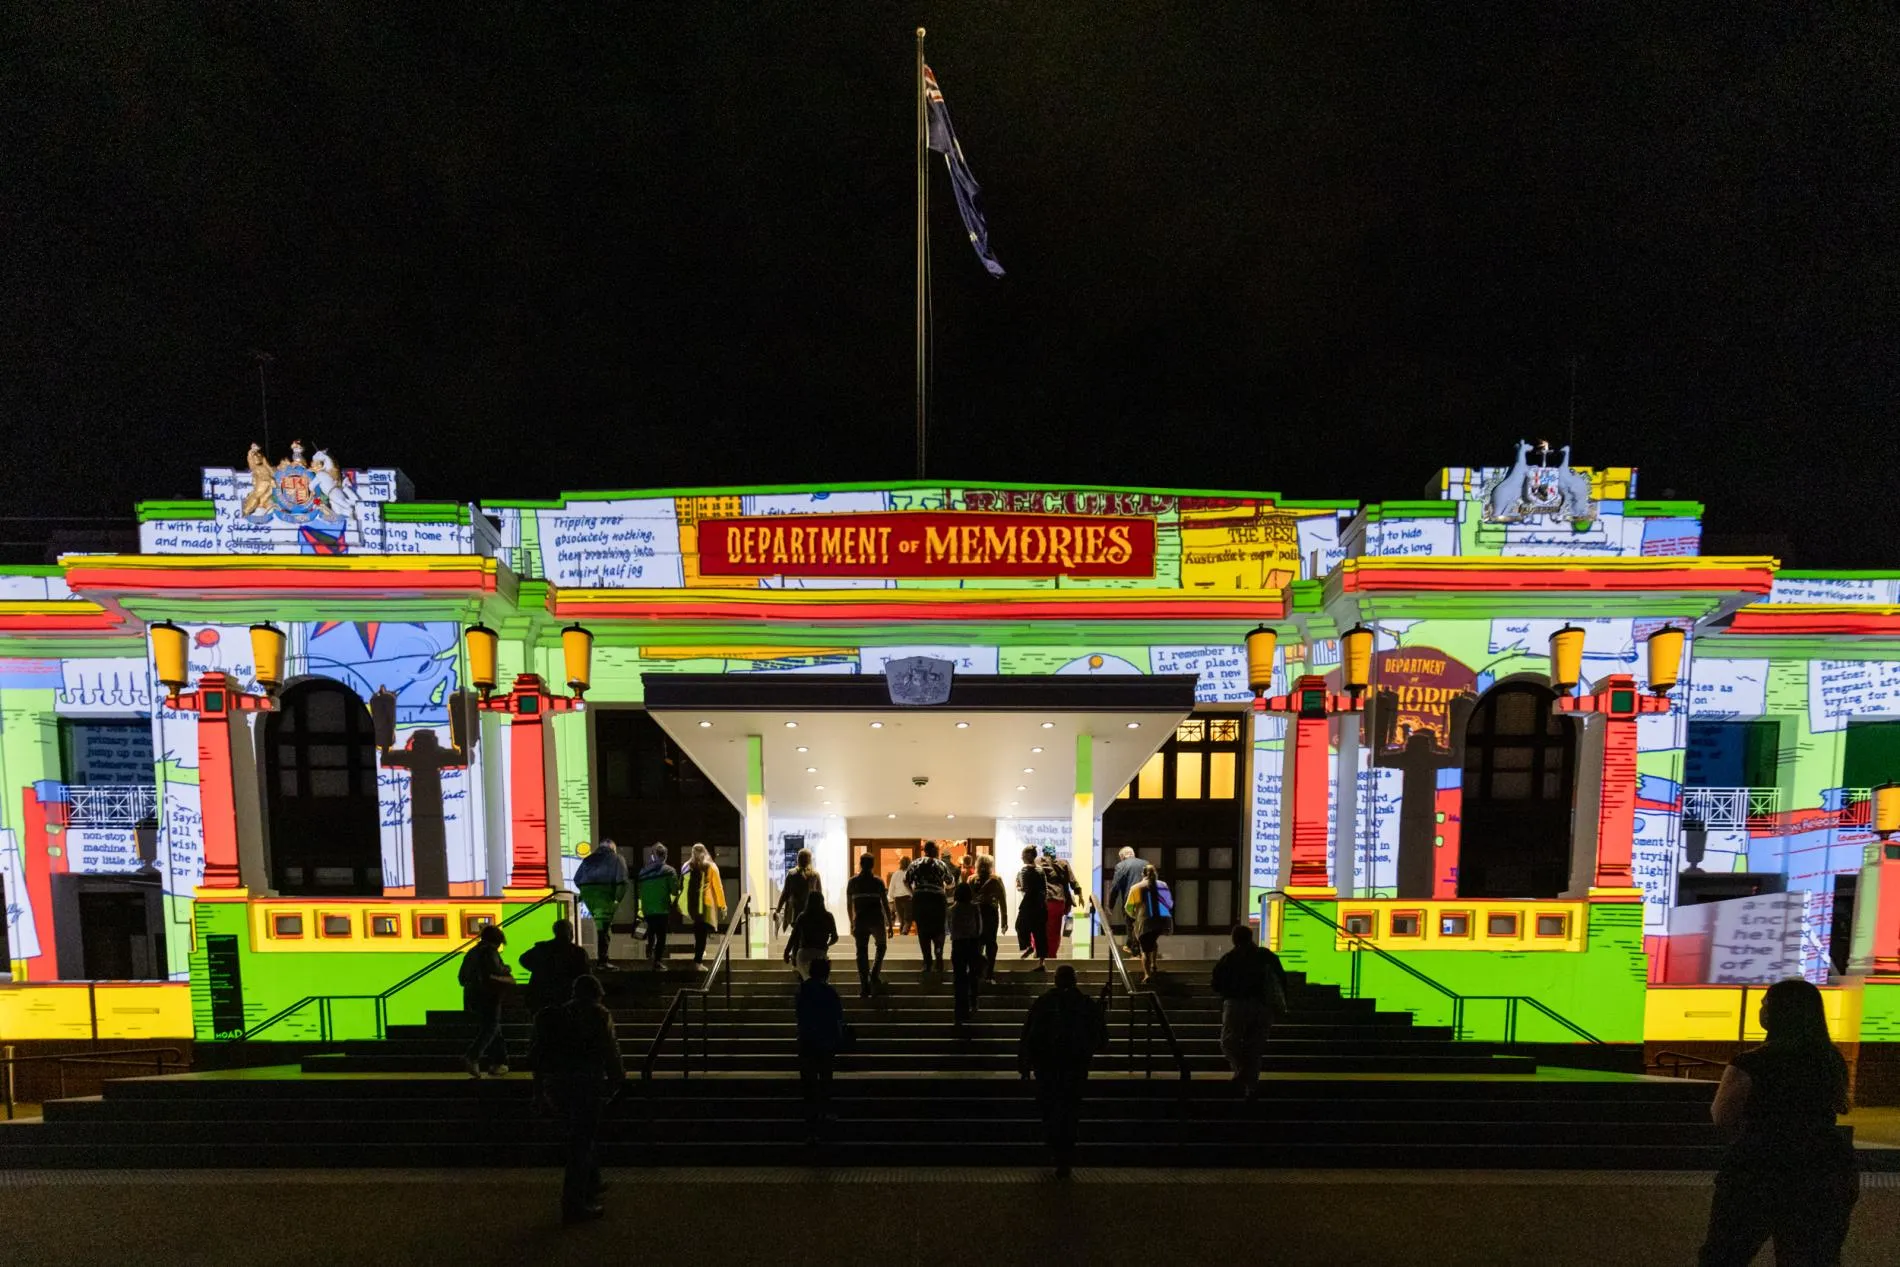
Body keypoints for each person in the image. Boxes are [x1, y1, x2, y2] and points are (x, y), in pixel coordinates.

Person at [1698, 977, 1857, 1266]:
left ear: (1778, 1011)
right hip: (1824, 1165)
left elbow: (1722, 1116)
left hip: (1759, 1166)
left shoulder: (1751, 1062)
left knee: (1725, 1253)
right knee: (1811, 1256)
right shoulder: (1830, 1059)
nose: (1761, 1008)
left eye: (1766, 1003)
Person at [530, 974, 625, 1224]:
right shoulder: (598, 1014)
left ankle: (591, 1182)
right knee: (581, 1142)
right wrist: (618, 1080)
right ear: (597, 993)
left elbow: (537, 1055)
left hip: (557, 1084)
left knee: (578, 1136)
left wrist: (539, 1090)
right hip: (587, 1082)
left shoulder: (552, 1017)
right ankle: (574, 1203)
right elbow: (610, 1049)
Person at [1018, 964, 1108, 1178]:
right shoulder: (1084, 1004)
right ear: (1074, 981)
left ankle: (1056, 1148)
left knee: (1050, 1107)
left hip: (1048, 1065)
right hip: (1074, 1065)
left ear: (1056, 980)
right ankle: (1065, 1153)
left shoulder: (1044, 1003)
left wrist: (1025, 1062)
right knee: (1070, 1109)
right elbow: (1100, 1035)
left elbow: (1030, 1033)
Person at [1211, 923, 1289, 1099]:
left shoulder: (1229, 958)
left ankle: (1241, 1074)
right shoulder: (1266, 956)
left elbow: (1216, 984)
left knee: (1229, 1042)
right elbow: (1281, 979)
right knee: (1254, 1047)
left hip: (1236, 1005)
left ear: (1234, 939)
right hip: (1263, 1006)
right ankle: (1250, 1086)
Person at [795, 956, 847, 1143]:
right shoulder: (829, 992)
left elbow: (800, 1014)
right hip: (825, 1041)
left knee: (808, 1082)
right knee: (825, 1077)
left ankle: (811, 1123)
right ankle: (825, 1113)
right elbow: (837, 1018)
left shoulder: (803, 990)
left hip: (807, 1040)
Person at [457, 924, 513, 1077]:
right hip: (489, 996)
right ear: (496, 941)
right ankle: (473, 1056)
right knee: (491, 1027)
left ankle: (500, 1062)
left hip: (471, 996)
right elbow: (493, 973)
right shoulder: (489, 952)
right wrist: (506, 970)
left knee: (494, 1028)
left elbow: (461, 978)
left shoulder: (471, 952)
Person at [572, 838, 630, 967]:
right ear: (613, 848)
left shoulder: (588, 859)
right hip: (605, 895)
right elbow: (623, 881)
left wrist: (585, 892)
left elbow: (577, 879)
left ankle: (602, 960)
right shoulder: (617, 859)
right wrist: (617, 899)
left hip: (589, 896)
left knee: (601, 926)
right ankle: (603, 961)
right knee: (604, 928)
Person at [519, 918, 591, 1015]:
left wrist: (539, 970)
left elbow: (523, 959)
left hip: (542, 995)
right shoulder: (578, 952)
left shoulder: (542, 948)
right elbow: (586, 974)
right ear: (570, 932)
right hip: (567, 995)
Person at [845, 853, 891, 998]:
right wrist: (889, 923)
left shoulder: (853, 882)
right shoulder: (878, 882)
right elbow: (885, 903)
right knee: (881, 946)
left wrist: (851, 922)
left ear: (860, 863)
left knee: (861, 952)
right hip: (876, 919)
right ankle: (874, 974)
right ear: (873, 865)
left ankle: (864, 985)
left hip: (860, 920)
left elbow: (849, 904)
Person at [907, 841, 955, 972]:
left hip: (920, 898)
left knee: (923, 931)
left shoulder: (914, 864)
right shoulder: (941, 864)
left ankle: (927, 961)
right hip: (937, 898)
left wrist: (914, 892)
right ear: (935, 851)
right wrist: (942, 888)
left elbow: (906, 881)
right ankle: (938, 953)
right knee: (939, 929)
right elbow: (950, 882)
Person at [677, 842, 727, 966]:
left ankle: (699, 953)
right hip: (705, 904)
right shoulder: (710, 866)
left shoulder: (687, 866)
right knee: (702, 931)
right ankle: (698, 960)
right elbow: (718, 887)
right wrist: (723, 906)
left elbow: (681, 885)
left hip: (692, 905)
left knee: (698, 929)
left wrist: (681, 903)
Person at [636, 844, 682, 969]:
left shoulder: (643, 872)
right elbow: (674, 890)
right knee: (661, 935)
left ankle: (649, 952)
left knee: (651, 931)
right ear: (665, 856)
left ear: (653, 856)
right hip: (661, 907)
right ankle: (657, 961)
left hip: (647, 908)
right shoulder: (669, 871)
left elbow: (640, 892)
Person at [1125, 863, 1174, 982]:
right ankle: (1154, 964)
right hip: (1162, 920)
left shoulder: (1137, 888)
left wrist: (1134, 916)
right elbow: (1170, 903)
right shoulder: (1163, 885)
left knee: (1145, 949)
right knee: (1153, 940)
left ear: (1143, 874)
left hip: (1145, 921)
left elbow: (1128, 907)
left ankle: (1147, 975)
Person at [775, 848, 823, 961]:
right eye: (801, 858)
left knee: (803, 935)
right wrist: (778, 909)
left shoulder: (815, 875)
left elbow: (819, 894)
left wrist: (821, 911)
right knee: (797, 934)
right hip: (796, 910)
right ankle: (796, 958)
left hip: (810, 910)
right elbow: (785, 893)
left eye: (805, 858)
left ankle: (800, 958)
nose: (803, 860)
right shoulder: (792, 874)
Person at [948, 881, 985, 1026]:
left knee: (959, 978)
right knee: (973, 975)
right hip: (972, 942)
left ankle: (959, 1012)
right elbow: (979, 927)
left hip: (958, 944)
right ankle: (973, 1002)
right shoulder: (974, 908)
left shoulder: (952, 910)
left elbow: (950, 928)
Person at [1042, 847, 1082, 965]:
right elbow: (1072, 880)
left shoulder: (1038, 862)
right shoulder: (1063, 863)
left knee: (1040, 928)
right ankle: (1052, 954)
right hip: (1058, 900)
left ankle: (1040, 953)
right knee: (1054, 930)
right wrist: (1079, 893)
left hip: (1043, 900)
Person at [973, 854, 1009, 982]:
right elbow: (1002, 900)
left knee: (977, 944)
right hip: (990, 913)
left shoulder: (972, 879)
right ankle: (988, 973)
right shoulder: (996, 879)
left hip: (976, 915)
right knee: (990, 943)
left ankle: (977, 972)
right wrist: (1004, 920)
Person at [1106, 846, 1147, 955]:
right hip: (1147, 901)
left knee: (1131, 924)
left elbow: (1115, 887)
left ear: (1122, 857)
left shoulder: (1121, 866)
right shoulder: (1146, 863)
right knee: (1143, 925)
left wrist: (1110, 905)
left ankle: (1135, 950)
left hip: (1131, 901)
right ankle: (1140, 949)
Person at [789, 891, 839, 979]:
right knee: (819, 979)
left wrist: (787, 952)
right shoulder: (828, 917)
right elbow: (835, 937)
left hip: (804, 953)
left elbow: (794, 936)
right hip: (819, 953)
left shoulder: (802, 916)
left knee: (806, 978)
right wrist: (827, 944)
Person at [1015, 845, 1049, 965]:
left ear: (1028, 855)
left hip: (1029, 904)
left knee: (1020, 925)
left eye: (1023, 855)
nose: (1021, 857)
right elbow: (1045, 888)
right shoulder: (1041, 870)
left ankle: (1028, 945)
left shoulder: (1024, 871)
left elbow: (1023, 887)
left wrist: (1019, 886)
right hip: (1040, 904)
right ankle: (1041, 962)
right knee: (1040, 933)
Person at [888, 858, 913, 934]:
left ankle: (902, 935)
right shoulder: (911, 873)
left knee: (901, 919)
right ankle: (904, 933)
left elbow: (891, 887)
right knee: (908, 919)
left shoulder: (896, 874)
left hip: (897, 899)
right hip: (908, 898)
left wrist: (890, 898)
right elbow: (913, 886)